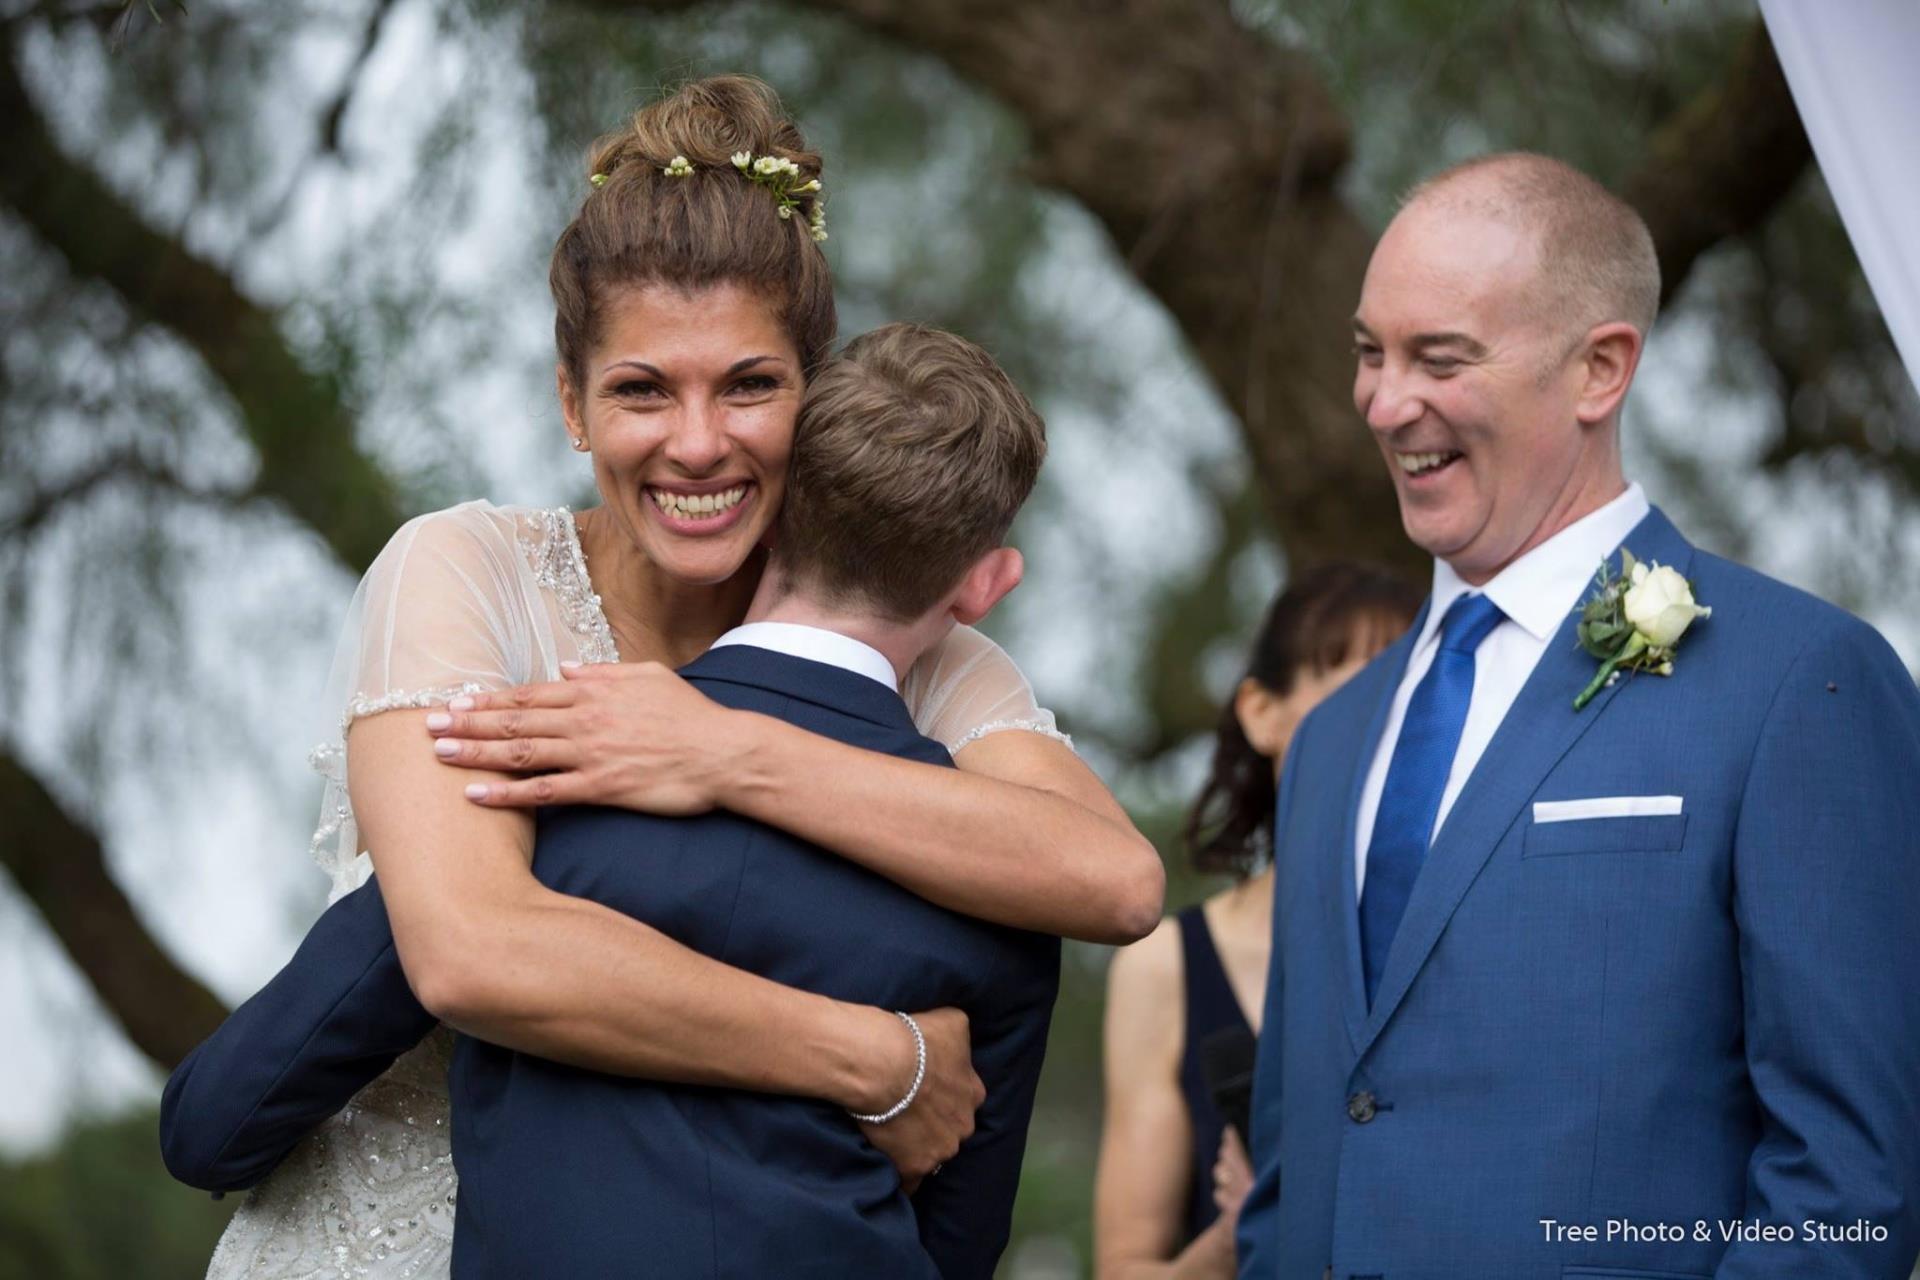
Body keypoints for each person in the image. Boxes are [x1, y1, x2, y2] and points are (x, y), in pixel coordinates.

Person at [181, 75, 1163, 1280]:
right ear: (572, 401)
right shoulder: (468, 573)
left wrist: (723, 752)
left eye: (749, 385)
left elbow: (1114, 877)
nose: (697, 444)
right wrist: (870, 1056)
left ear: (813, 396)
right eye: (642, 389)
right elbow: (469, 951)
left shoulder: (920, 649)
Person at [1235, 152, 1920, 1278]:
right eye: (1369, 352)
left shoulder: (1800, 681)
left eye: (1438, 358)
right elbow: (1297, 1156)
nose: (1385, 403)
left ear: (1600, 369)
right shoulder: (1332, 737)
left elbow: (1848, 1185)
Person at [1093, 564, 1418, 1279]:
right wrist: (1242, 1235)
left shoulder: (1465, 945)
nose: (1396, 729)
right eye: (1363, 694)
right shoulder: (1166, 965)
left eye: (1420, 701)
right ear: (1260, 711)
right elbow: (1125, 1267)